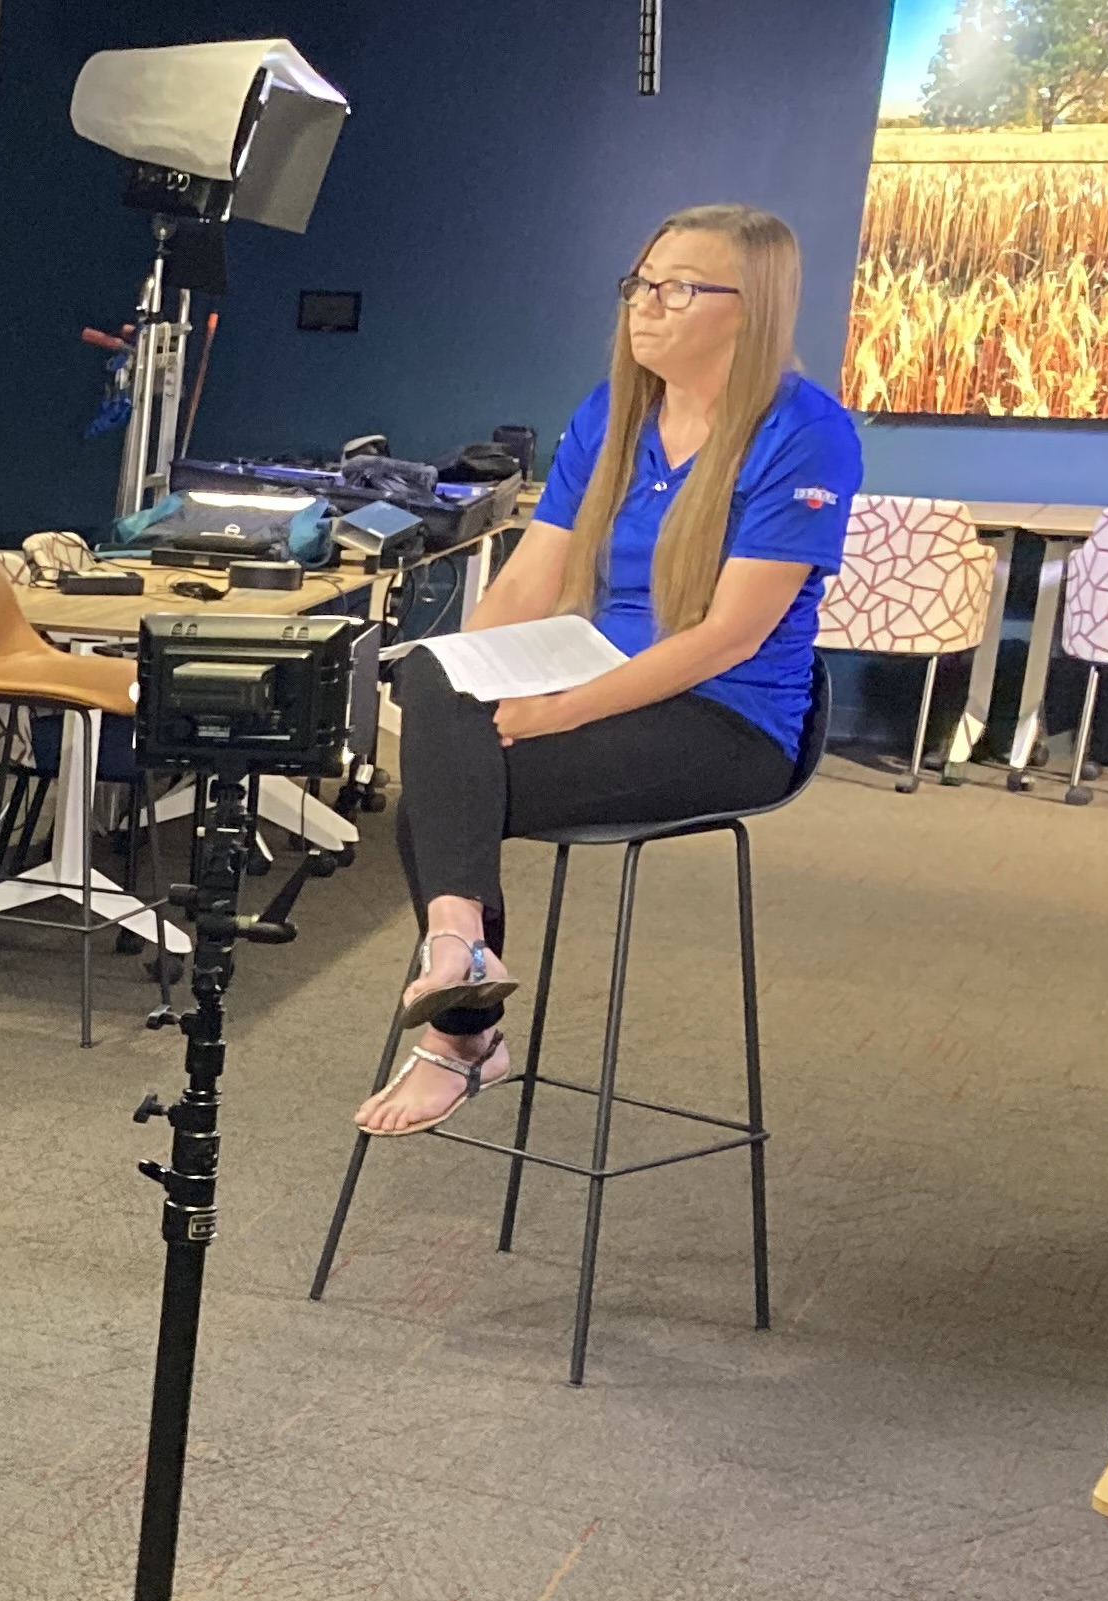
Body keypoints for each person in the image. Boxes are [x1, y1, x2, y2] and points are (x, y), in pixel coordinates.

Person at [357, 203, 859, 1136]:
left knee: (443, 796)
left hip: (726, 718)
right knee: (433, 675)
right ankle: (459, 946)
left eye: (679, 289)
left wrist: (558, 712)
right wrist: (474, 671)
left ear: (750, 308)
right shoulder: (611, 415)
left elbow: (727, 638)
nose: (646, 306)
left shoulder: (806, 433)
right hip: (589, 672)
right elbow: (528, 582)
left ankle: (462, 1033)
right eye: (640, 284)